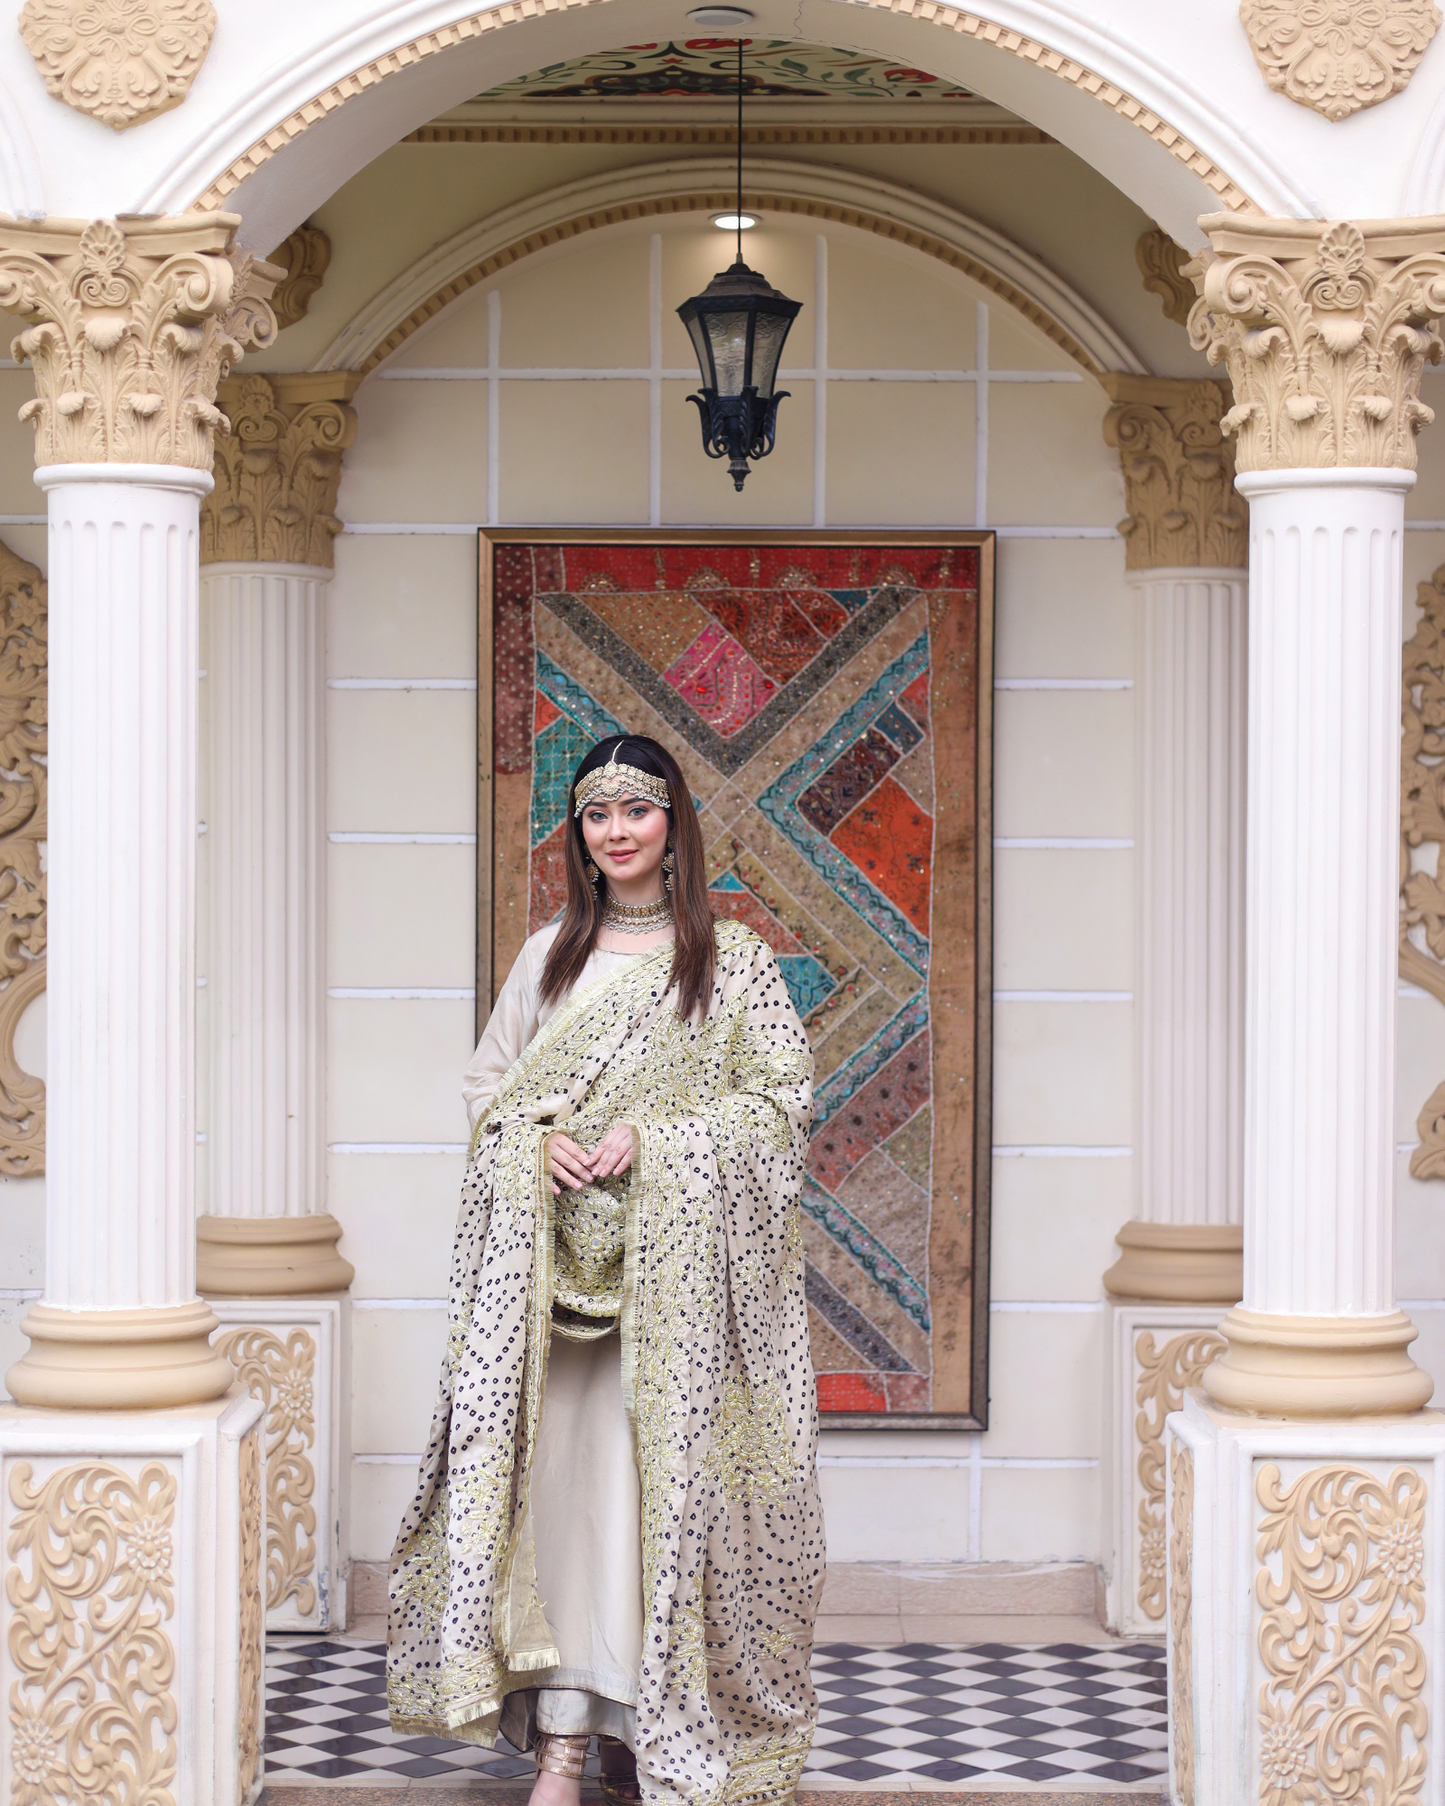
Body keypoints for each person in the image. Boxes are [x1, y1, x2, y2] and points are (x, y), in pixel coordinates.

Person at [387, 734, 825, 1806]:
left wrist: (660, 1144)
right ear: (578, 835)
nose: (617, 832)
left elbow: (779, 1108)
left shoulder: (732, 964)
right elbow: (487, 1089)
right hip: (554, 1294)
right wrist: (537, 1142)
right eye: (596, 814)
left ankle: (661, 1728)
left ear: (672, 823)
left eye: (636, 810)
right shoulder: (550, 959)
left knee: (662, 1507)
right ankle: (567, 1745)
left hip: (677, 1300)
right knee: (570, 1506)